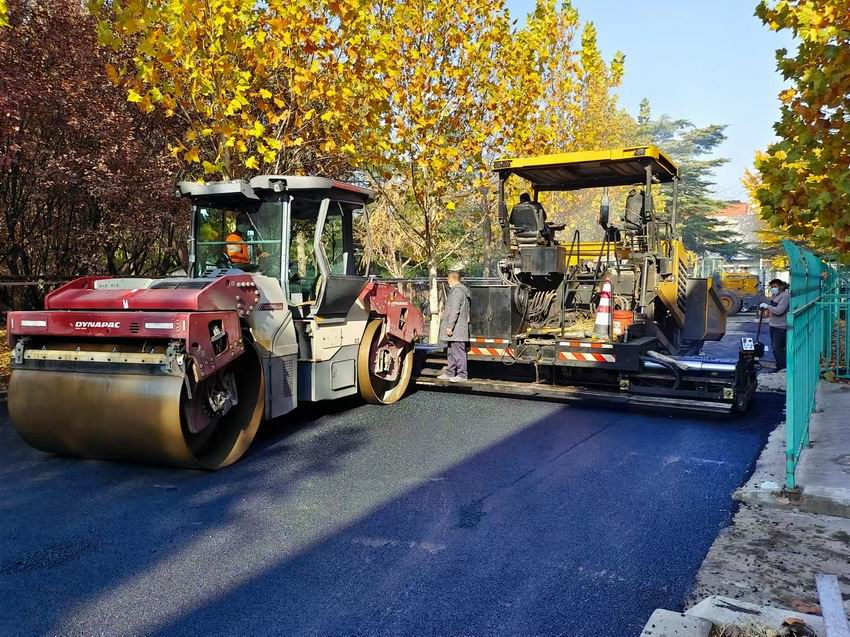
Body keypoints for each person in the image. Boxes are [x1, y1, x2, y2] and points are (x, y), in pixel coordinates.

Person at [437, 271, 471, 382]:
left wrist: (450, 326)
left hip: (456, 329)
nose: (447, 280)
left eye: (447, 278)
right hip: (457, 329)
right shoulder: (460, 290)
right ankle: (450, 373)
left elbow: (455, 310)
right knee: (451, 351)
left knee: (458, 352)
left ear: (451, 279)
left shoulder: (457, 291)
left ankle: (462, 375)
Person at [760, 279, 790, 372]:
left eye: (775, 286)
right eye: (772, 287)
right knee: (776, 347)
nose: (773, 289)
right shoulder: (775, 296)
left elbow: (779, 310)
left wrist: (767, 307)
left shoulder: (785, 296)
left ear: (780, 286)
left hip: (780, 327)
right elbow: (772, 309)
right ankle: (780, 365)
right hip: (773, 325)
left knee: (777, 348)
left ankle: (782, 367)